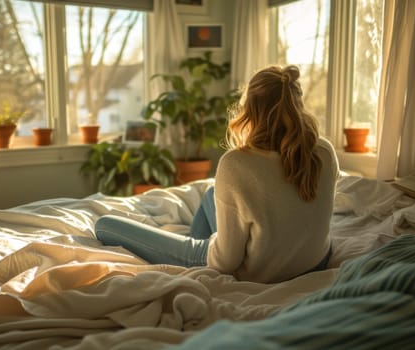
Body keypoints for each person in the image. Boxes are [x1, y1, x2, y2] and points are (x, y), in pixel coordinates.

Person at [94, 65, 339, 283]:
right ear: (298, 104)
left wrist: (208, 246)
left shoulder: (237, 163)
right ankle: (196, 242)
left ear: (250, 110)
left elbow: (225, 262)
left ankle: (191, 258)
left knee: (105, 225)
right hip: (315, 262)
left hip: (263, 273)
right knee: (212, 193)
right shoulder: (325, 150)